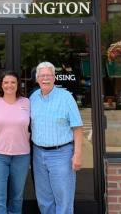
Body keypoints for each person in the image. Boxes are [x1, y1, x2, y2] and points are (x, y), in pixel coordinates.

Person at [30, 61, 83, 214]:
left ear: (54, 78)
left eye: (49, 75)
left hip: (62, 154)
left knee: (64, 199)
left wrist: (77, 154)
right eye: (42, 75)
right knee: (44, 199)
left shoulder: (66, 97)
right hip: (38, 154)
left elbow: (77, 127)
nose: (45, 78)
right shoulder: (33, 98)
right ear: (37, 78)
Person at [0, 71, 30, 214]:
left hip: (22, 156)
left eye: (13, 82)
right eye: (6, 82)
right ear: (1, 85)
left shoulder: (27, 102)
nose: (9, 85)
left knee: (17, 197)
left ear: (18, 85)